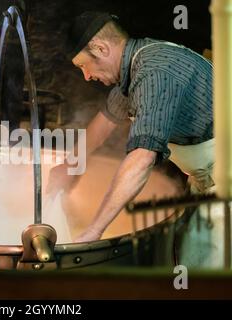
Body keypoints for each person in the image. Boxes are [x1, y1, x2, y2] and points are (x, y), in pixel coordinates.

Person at [46, 11, 215, 258]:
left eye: (84, 65)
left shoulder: (155, 73)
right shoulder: (136, 64)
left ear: (102, 49)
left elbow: (143, 158)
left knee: (207, 268)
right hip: (208, 176)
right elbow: (104, 123)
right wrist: (70, 165)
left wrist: (93, 232)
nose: (86, 76)